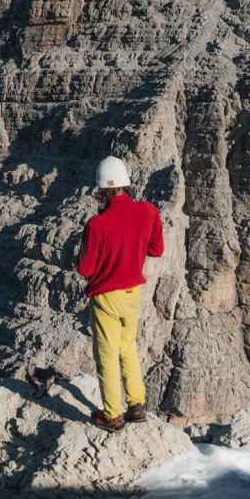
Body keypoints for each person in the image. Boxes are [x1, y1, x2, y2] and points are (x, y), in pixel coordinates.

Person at [77, 156, 164, 432]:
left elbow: (85, 268)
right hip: (132, 293)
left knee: (107, 354)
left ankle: (112, 415)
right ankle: (136, 405)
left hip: (106, 297)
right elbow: (156, 250)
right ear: (127, 184)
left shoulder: (96, 224)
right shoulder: (149, 212)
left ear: (101, 191)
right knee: (128, 347)